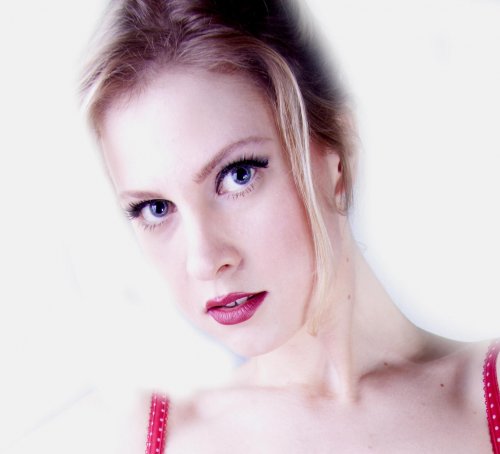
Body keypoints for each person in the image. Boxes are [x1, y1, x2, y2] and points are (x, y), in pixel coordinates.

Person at [79, 0, 499, 452]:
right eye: (156, 209)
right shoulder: (151, 438)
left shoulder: (484, 400)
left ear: (338, 158)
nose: (204, 260)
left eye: (238, 175)